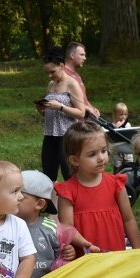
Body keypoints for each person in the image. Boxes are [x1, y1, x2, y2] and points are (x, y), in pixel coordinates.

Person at [55, 121, 140, 254]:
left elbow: (129, 220)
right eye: (92, 154)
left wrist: (138, 252)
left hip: (116, 256)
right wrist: (85, 244)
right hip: (85, 259)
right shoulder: (67, 191)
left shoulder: (115, 184)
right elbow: (67, 227)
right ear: (75, 160)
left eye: (103, 151)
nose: (101, 158)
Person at [35, 46, 88, 183]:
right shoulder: (51, 84)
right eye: (47, 72)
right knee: (48, 173)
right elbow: (47, 112)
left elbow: (81, 112)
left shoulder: (72, 84)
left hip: (66, 135)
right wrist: (41, 108)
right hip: (50, 134)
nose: (50, 75)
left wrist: (60, 107)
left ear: (62, 66)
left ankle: (76, 201)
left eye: (52, 72)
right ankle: (50, 203)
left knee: (68, 173)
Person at [16, 170, 75, 278]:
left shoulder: (51, 228)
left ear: (39, 204)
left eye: (20, 195)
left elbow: (61, 253)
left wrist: (69, 252)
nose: (15, 198)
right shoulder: (4, 225)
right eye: (12, 192)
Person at [64, 41, 101, 117]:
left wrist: (92, 108)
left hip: (84, 120)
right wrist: (86, 108)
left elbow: (83, 98)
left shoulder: (76, 75)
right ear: (72, 55)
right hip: (72, 123)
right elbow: (63, 101)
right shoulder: (63, 74)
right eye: (82, 55)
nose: (85, 58)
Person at [110, 102, 134, 170]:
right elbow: (111, 135)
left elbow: (129, 132)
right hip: (117, 149)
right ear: (115, 115)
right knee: (117, 165)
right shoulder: (112, 125)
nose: (123, 116)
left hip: (126, 147)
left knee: (129, 163)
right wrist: (116, 127)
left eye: (125, 114)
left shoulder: (127, 124)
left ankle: (129, 174)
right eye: (121, 114)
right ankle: (117, 174)